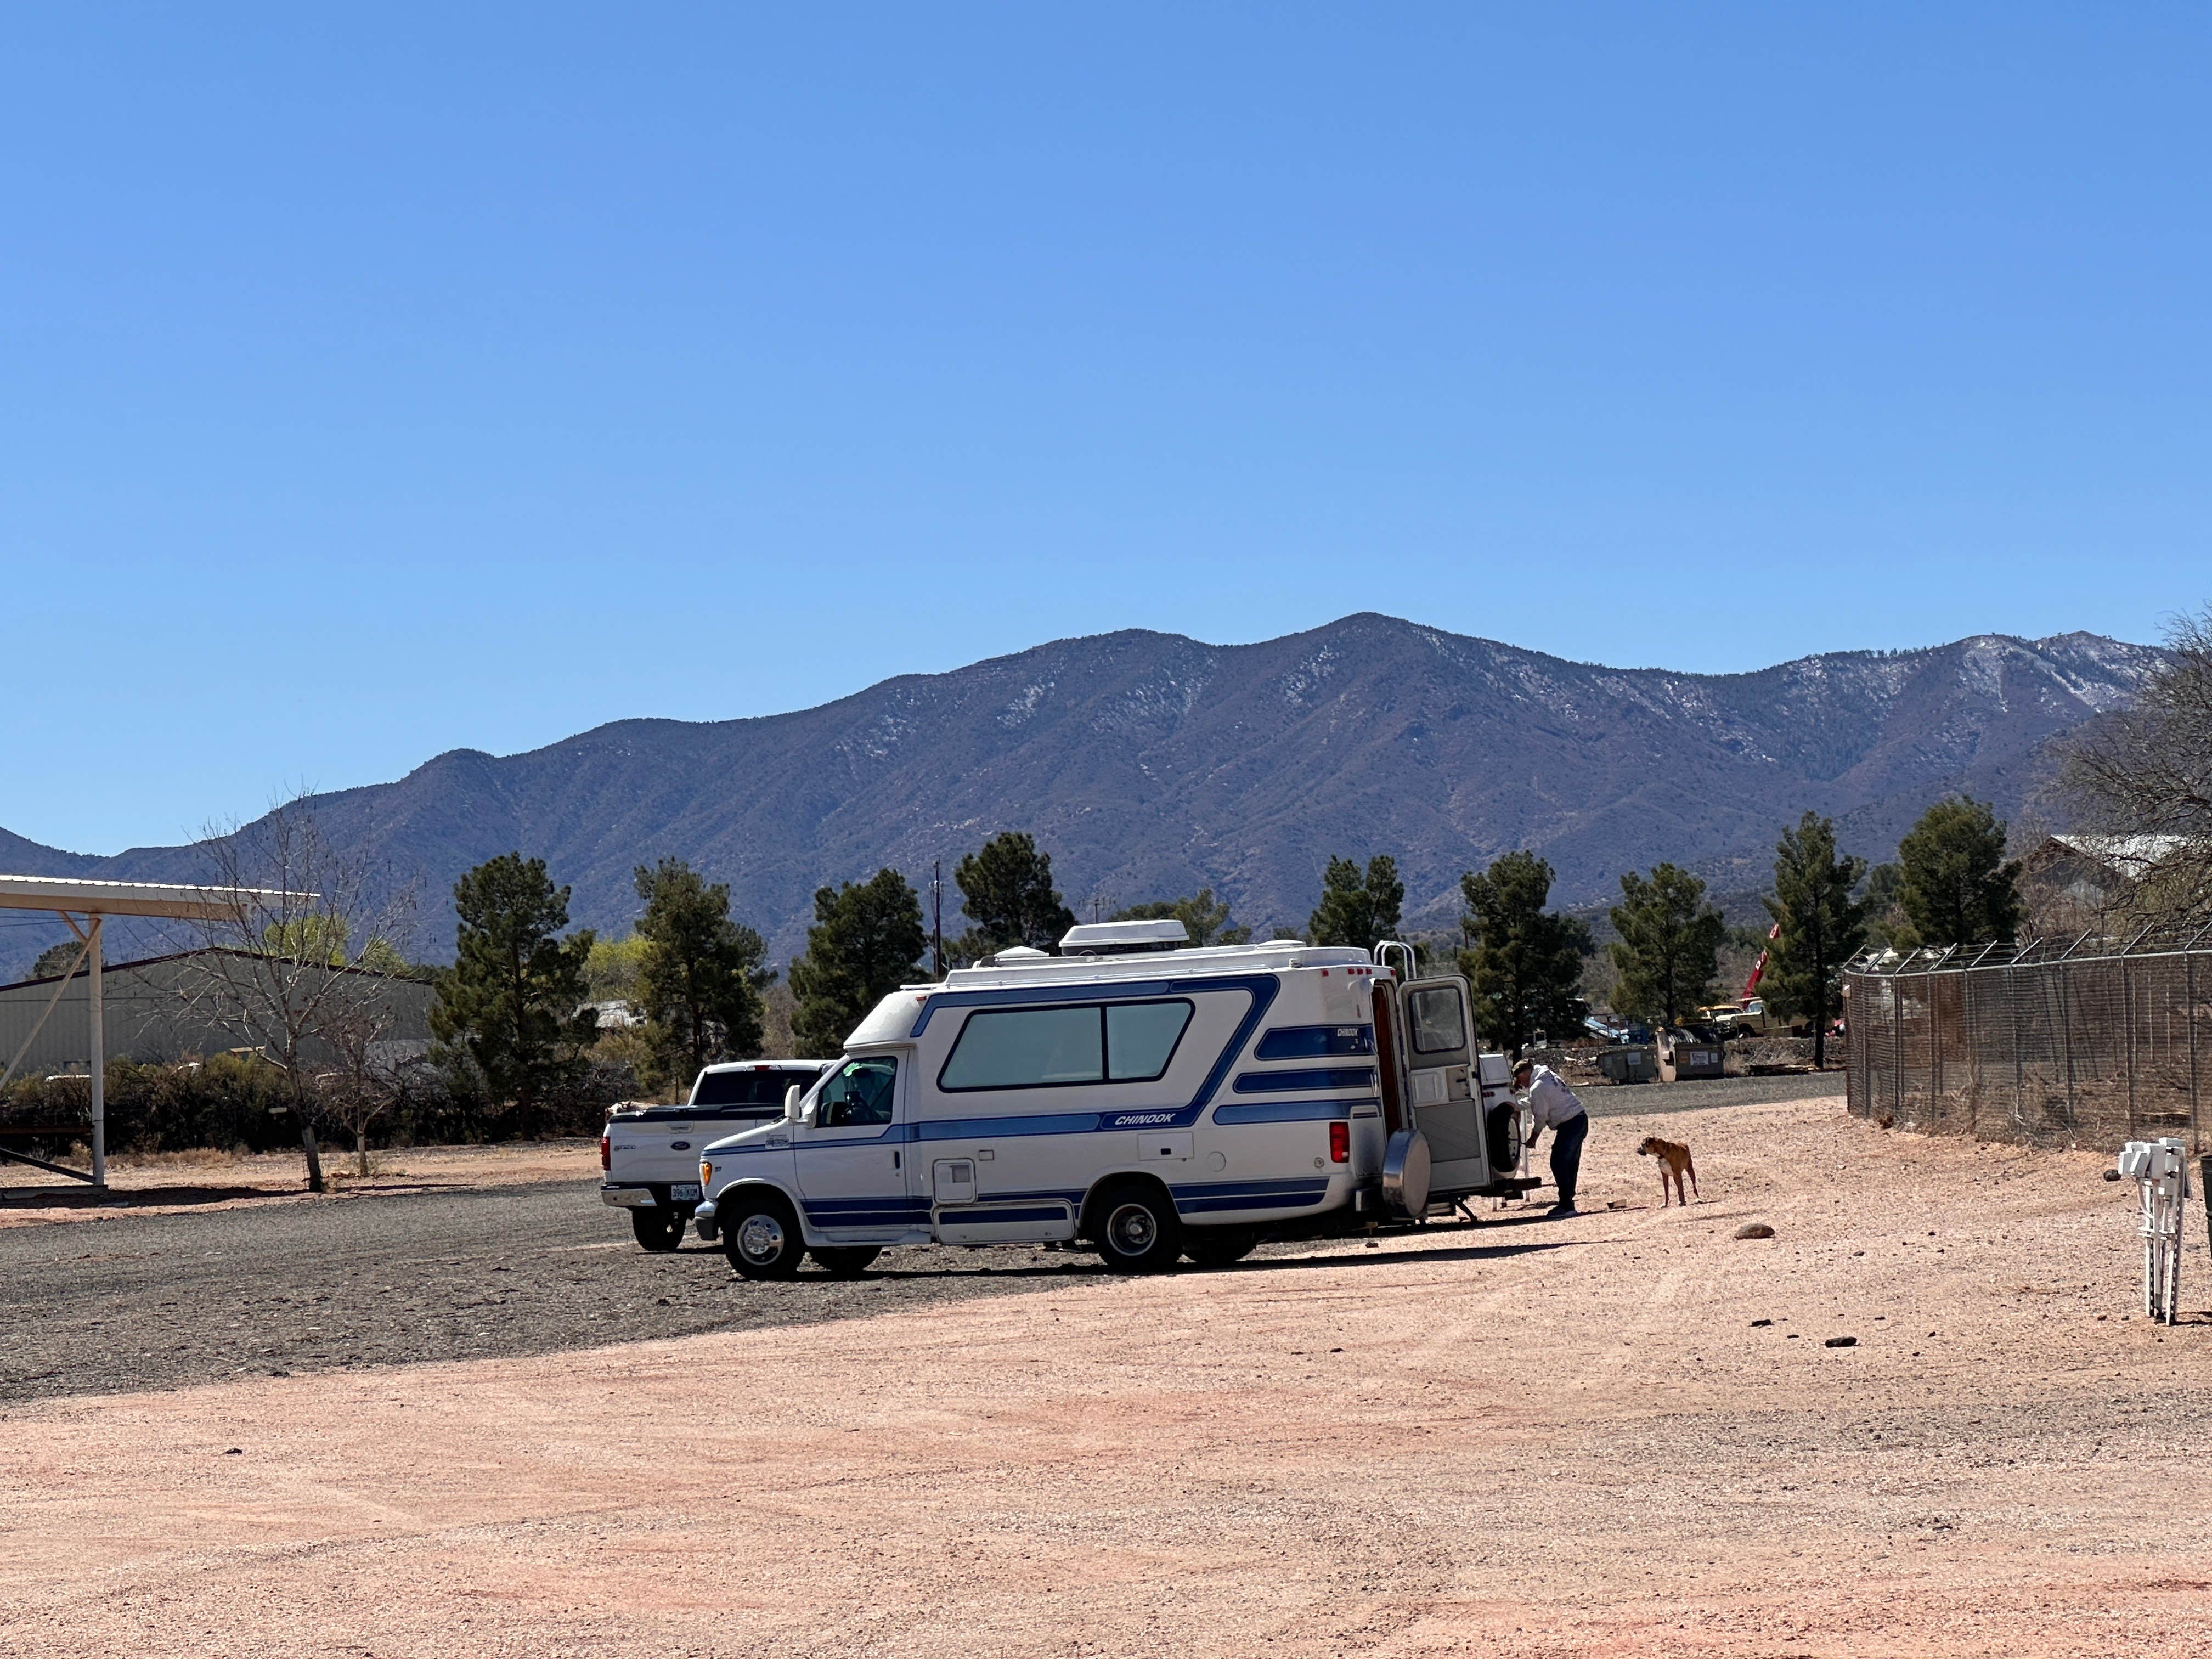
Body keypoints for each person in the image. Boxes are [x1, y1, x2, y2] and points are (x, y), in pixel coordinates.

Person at [1513, 1056, 1588, 1215]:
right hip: (1578, 1120)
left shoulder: (1538, 1086)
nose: (1521, 1085)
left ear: (1525, 1074)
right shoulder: (1546, 1076)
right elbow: (1537, 1099)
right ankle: (1567, 1201)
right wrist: (1517, 1106)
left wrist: (1533, 1139)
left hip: (1570, 1124)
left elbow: (1540, 1117)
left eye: (1520, 1080)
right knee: (1569, 1163)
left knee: (1559, 1163)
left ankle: (1567, 1205)